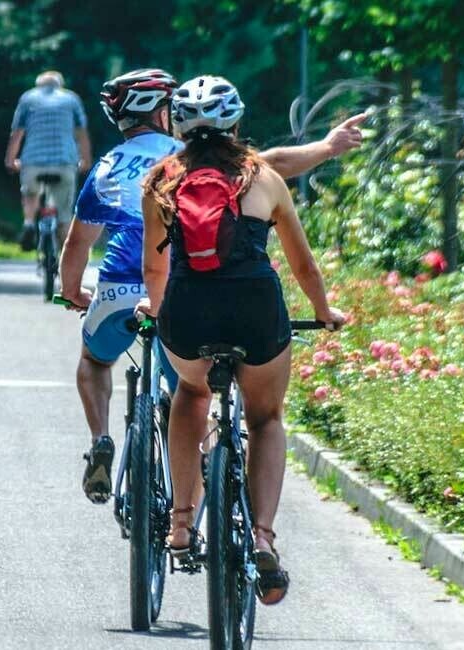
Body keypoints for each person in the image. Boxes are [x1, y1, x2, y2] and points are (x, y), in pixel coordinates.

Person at [62, 69, 366, 507]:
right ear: (163, 115)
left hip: (122, 292)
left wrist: (73, 291)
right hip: (189, 292)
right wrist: (327, 147)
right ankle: (207, 486)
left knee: (95, 359)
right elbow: (272, 164)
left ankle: (101, 439)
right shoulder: (190, 158)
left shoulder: (113, 167)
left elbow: (78, 243)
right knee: (193, 397)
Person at [137, 75, 348, 606]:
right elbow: (303, 265)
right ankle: (262, 537)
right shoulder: (263, 177)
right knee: (266, 418)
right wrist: (324, 312)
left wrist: (158, 312)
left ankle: (180, 523)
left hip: (189, 312)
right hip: (255, 311)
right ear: (235, 123)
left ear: (177, 128)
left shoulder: (160, 181)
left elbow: (154, 269)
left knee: (190, 394)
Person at [6, 71, 91, 252]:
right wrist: (85, 160)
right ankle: (63, 253)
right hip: (65, 162)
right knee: (64, 214)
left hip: (32, 162)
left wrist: (11, 160)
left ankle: (29, 223)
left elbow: (17, 132)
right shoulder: (71, 99)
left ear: (39, 85)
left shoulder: (28, 98)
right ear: (60, 84)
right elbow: (81, 132)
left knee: (30, 194)